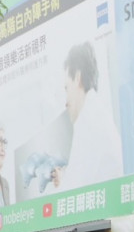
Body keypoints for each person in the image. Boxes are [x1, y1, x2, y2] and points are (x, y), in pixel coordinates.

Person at [53, 41, 123, 189]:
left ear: (78, 78)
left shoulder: (89, 122)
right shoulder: (96, 113)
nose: (66, 102)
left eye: (67, 88)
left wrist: (62, 185)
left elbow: (73, 192)